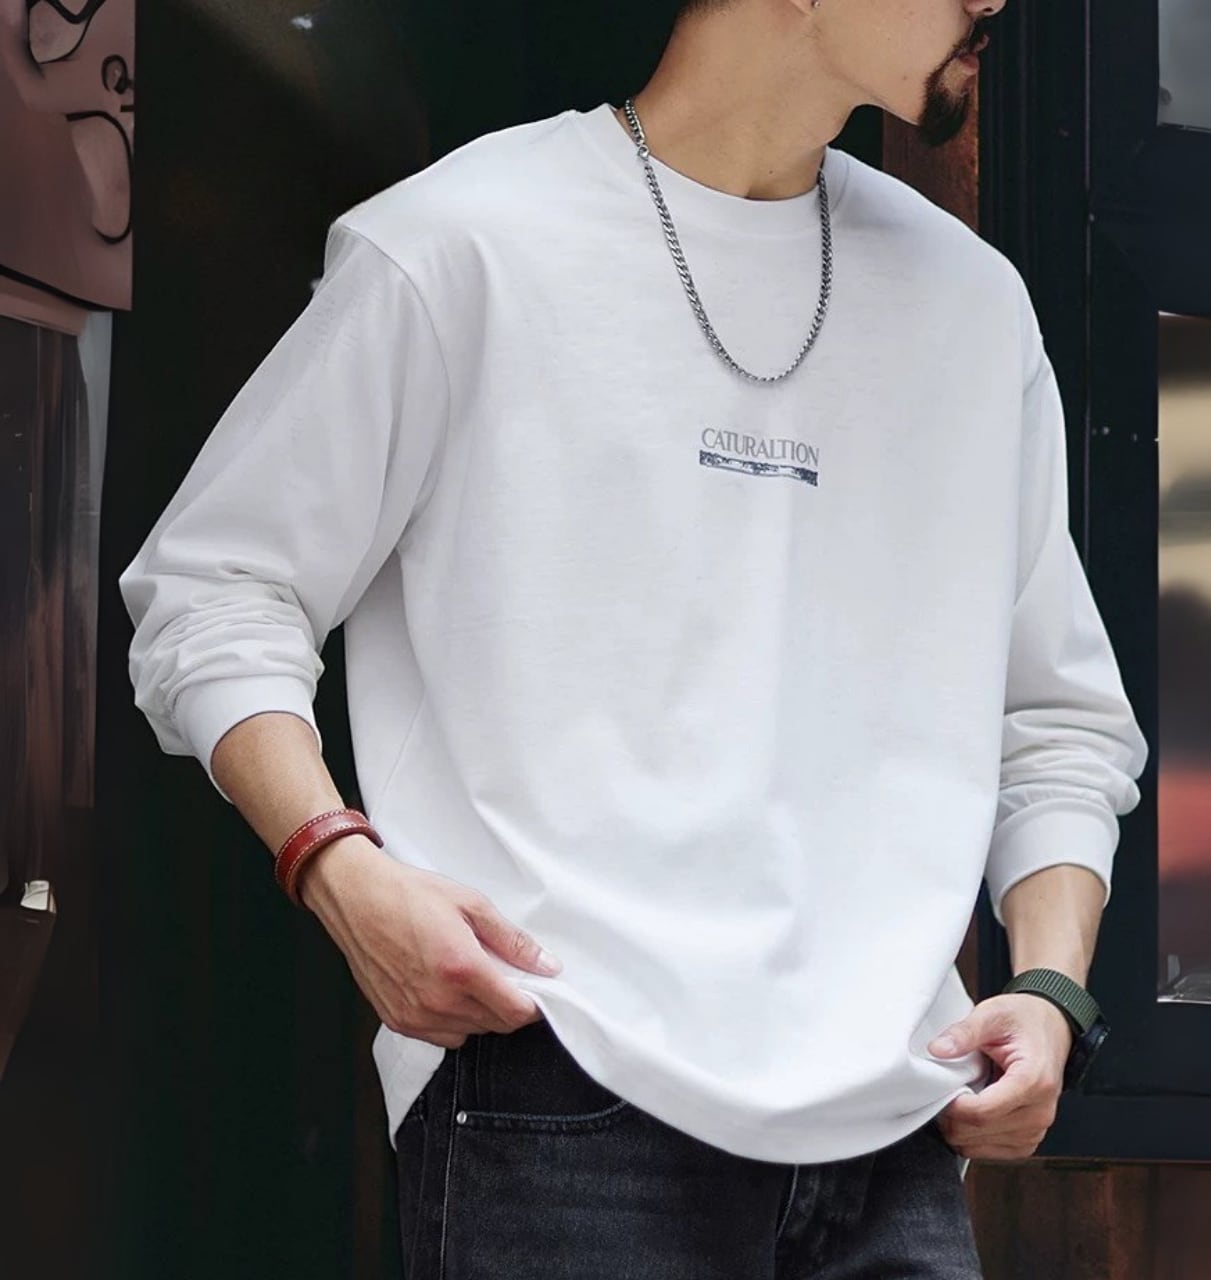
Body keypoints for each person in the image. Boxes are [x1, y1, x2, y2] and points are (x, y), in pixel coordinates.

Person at [121, 0, 1148, 1275]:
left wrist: (1049, 988)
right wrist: (336, 867)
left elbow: (1054, 715)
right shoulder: (460, 242)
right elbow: (216, 586)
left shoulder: (972, 307)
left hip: (894, 1127)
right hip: (556, 1088)